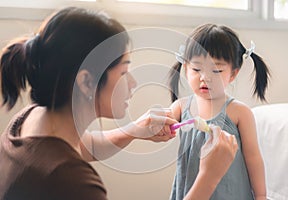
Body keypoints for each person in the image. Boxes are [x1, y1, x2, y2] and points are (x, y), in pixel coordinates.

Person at [0, 7, 237, 200]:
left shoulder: (28, 122)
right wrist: (209, 177)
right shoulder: (71, 182)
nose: (133, 83)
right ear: (86, 81)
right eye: (124, 72)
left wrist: (133, 130)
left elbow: (84, 147)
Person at [168, 24, 269, 200]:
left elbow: (253, 158)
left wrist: (261, 196)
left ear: (233, 74)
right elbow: (161, 126)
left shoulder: (239, 112)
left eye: (216, 70)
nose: (205, 77)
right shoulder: (180, 107)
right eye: (197, 69)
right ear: (186, 68)